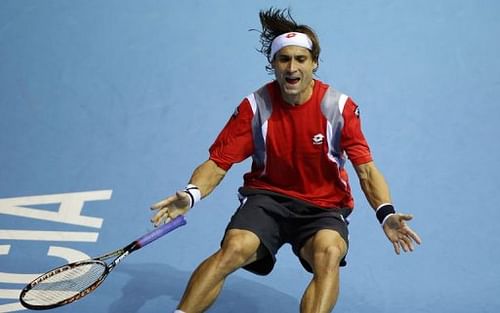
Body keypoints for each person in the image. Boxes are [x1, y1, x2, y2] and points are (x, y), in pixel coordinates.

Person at [151, 7, 421, 313]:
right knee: (234, 249)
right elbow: (217, 163)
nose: (292, 67)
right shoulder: (256, 106)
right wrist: (191, 193)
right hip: (267, 199)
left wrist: (386, 214)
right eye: (284, 59)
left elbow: (367, 171)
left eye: (300, 59)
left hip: (323, 206)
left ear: (314, 63)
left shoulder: (339, 108)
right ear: (274, 65)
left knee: (329, 253)